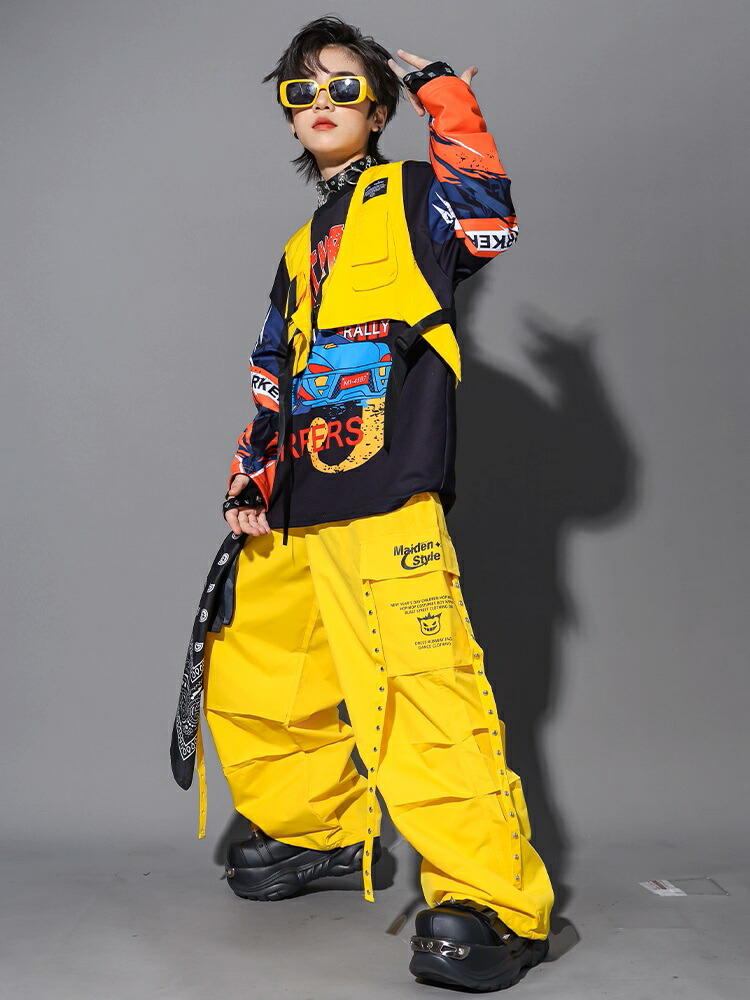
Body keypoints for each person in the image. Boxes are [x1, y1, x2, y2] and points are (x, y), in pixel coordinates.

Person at [170, 14, 554, 992]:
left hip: (384, 495)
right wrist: (254, 478)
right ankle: (316, 833)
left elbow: (489, 217)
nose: (322, 103)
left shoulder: (420, 199)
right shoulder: (302, 246)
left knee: (419, 694)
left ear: (377, 108)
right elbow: (277, 372)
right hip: (297, 502)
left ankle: (494, 901)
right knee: (260, 672)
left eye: (345, 86)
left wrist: (446, 97)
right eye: (302, 91)